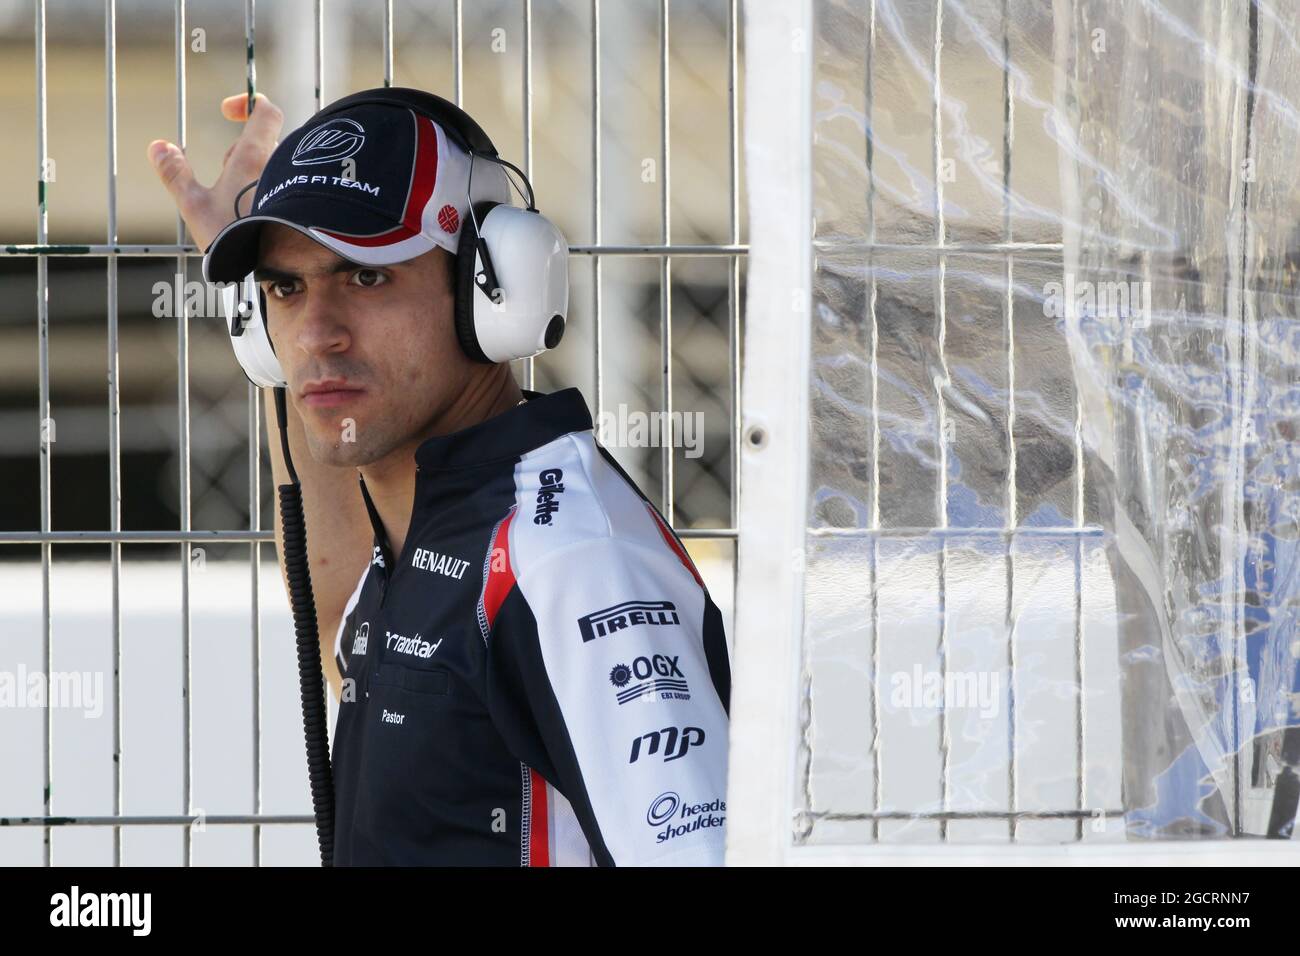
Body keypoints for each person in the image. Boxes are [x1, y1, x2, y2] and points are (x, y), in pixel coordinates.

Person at [147, 88, 731, 866]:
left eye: (365, 277)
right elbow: (339, 625)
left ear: (493, 291)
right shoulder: (436, 514)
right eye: (284, 290)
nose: (314, 336)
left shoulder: (570, 561)